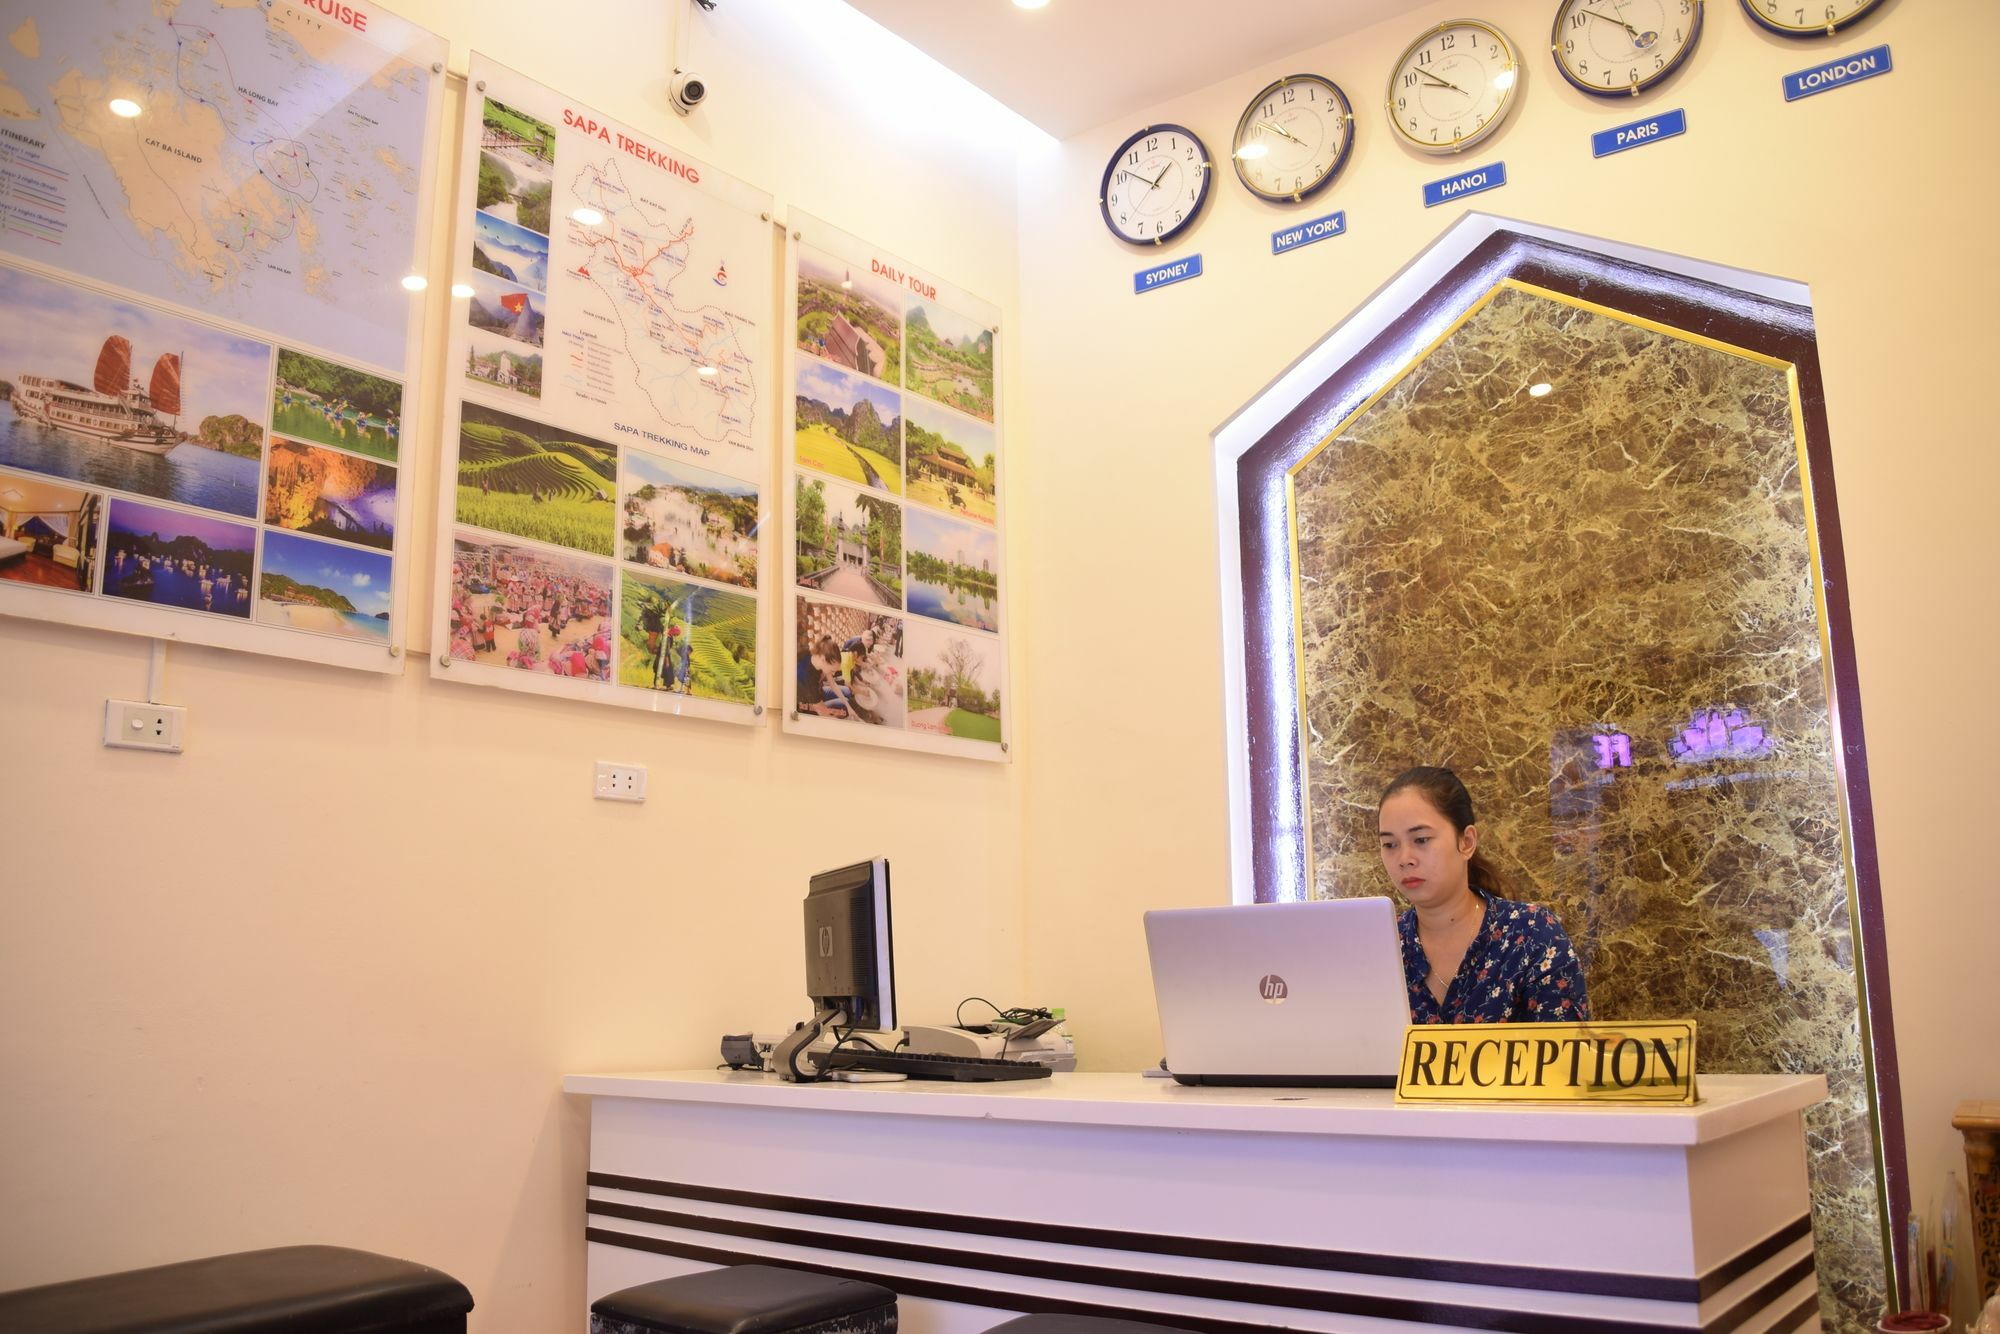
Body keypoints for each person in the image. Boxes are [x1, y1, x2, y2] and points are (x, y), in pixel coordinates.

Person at [1377, 766, 1589, 1025]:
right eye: (1389, 844)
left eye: (1421, 839)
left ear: (1466, 841)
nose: (1404, 859)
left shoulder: (1532, 935)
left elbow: (1564, 1055)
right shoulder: (1381, 948)